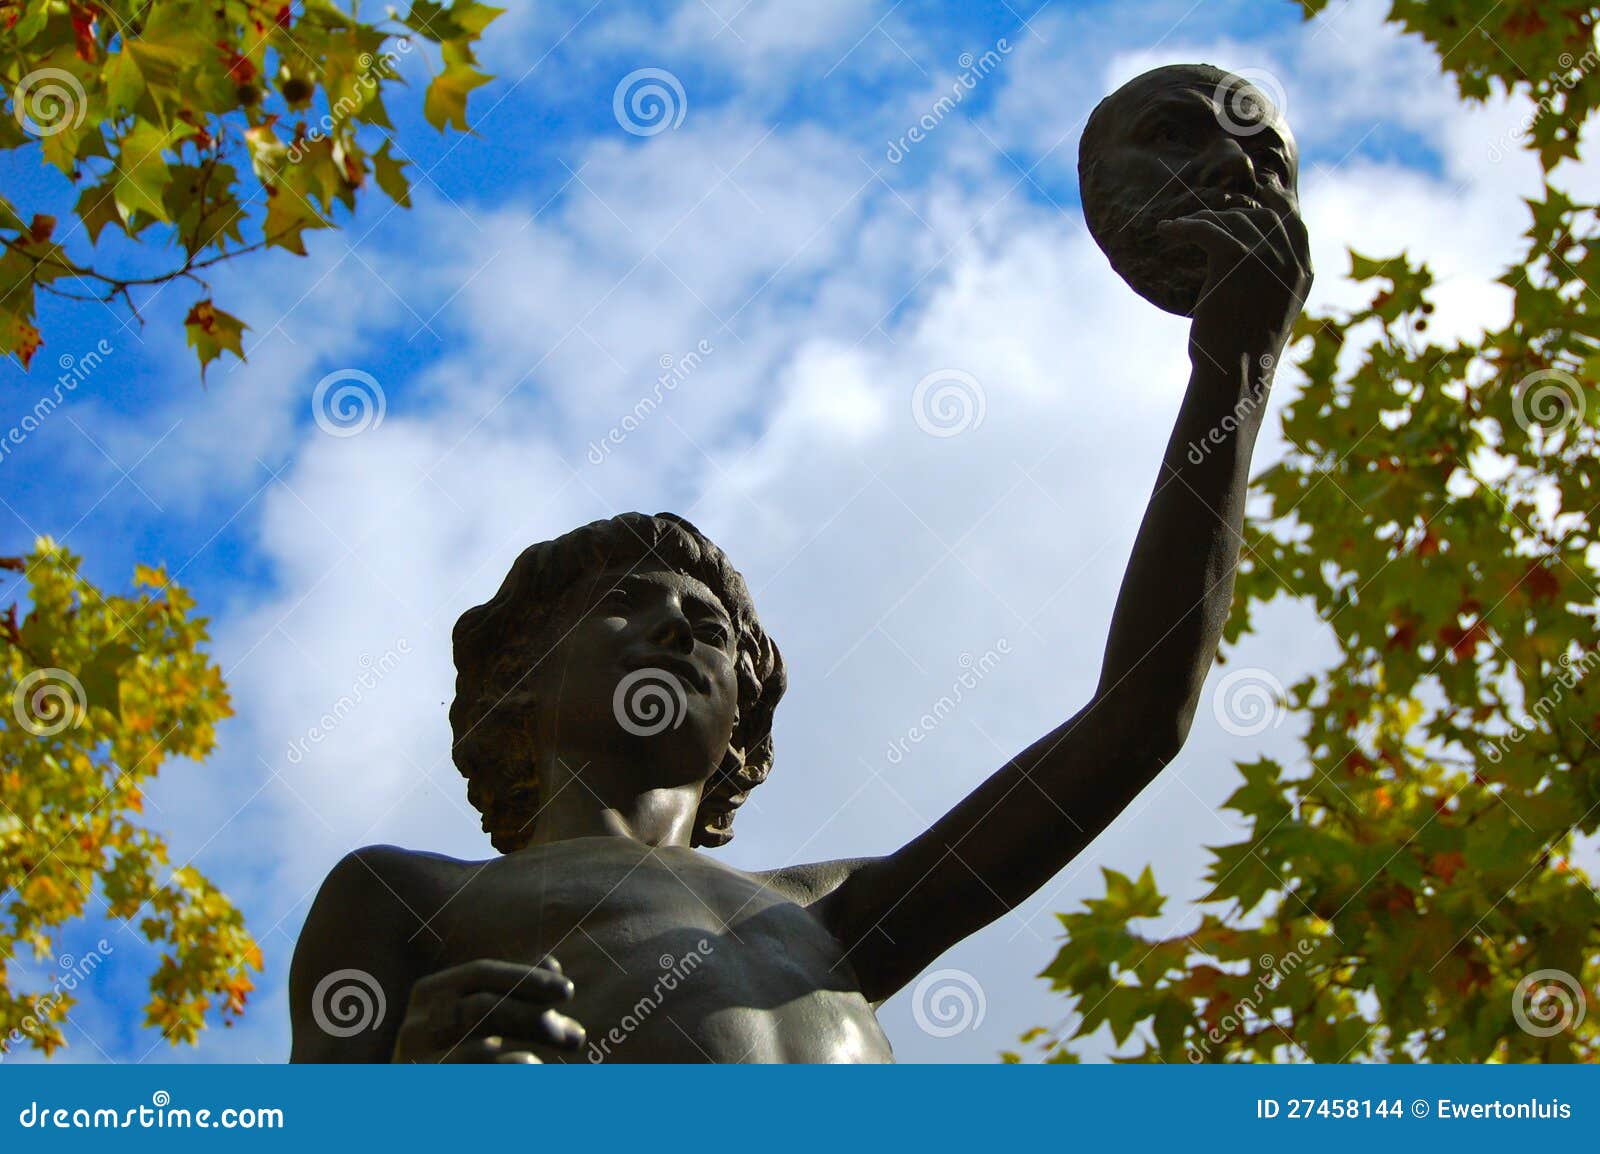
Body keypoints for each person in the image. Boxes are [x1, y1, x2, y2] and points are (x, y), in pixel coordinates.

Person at [289, 63, 1312, 1063]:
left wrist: (1233, 366)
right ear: (519, 676)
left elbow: (1136, 720)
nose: (686, 627)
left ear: (744, 722)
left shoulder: (832, 915)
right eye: (624, 602)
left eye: (718, 628)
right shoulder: (406, 895)